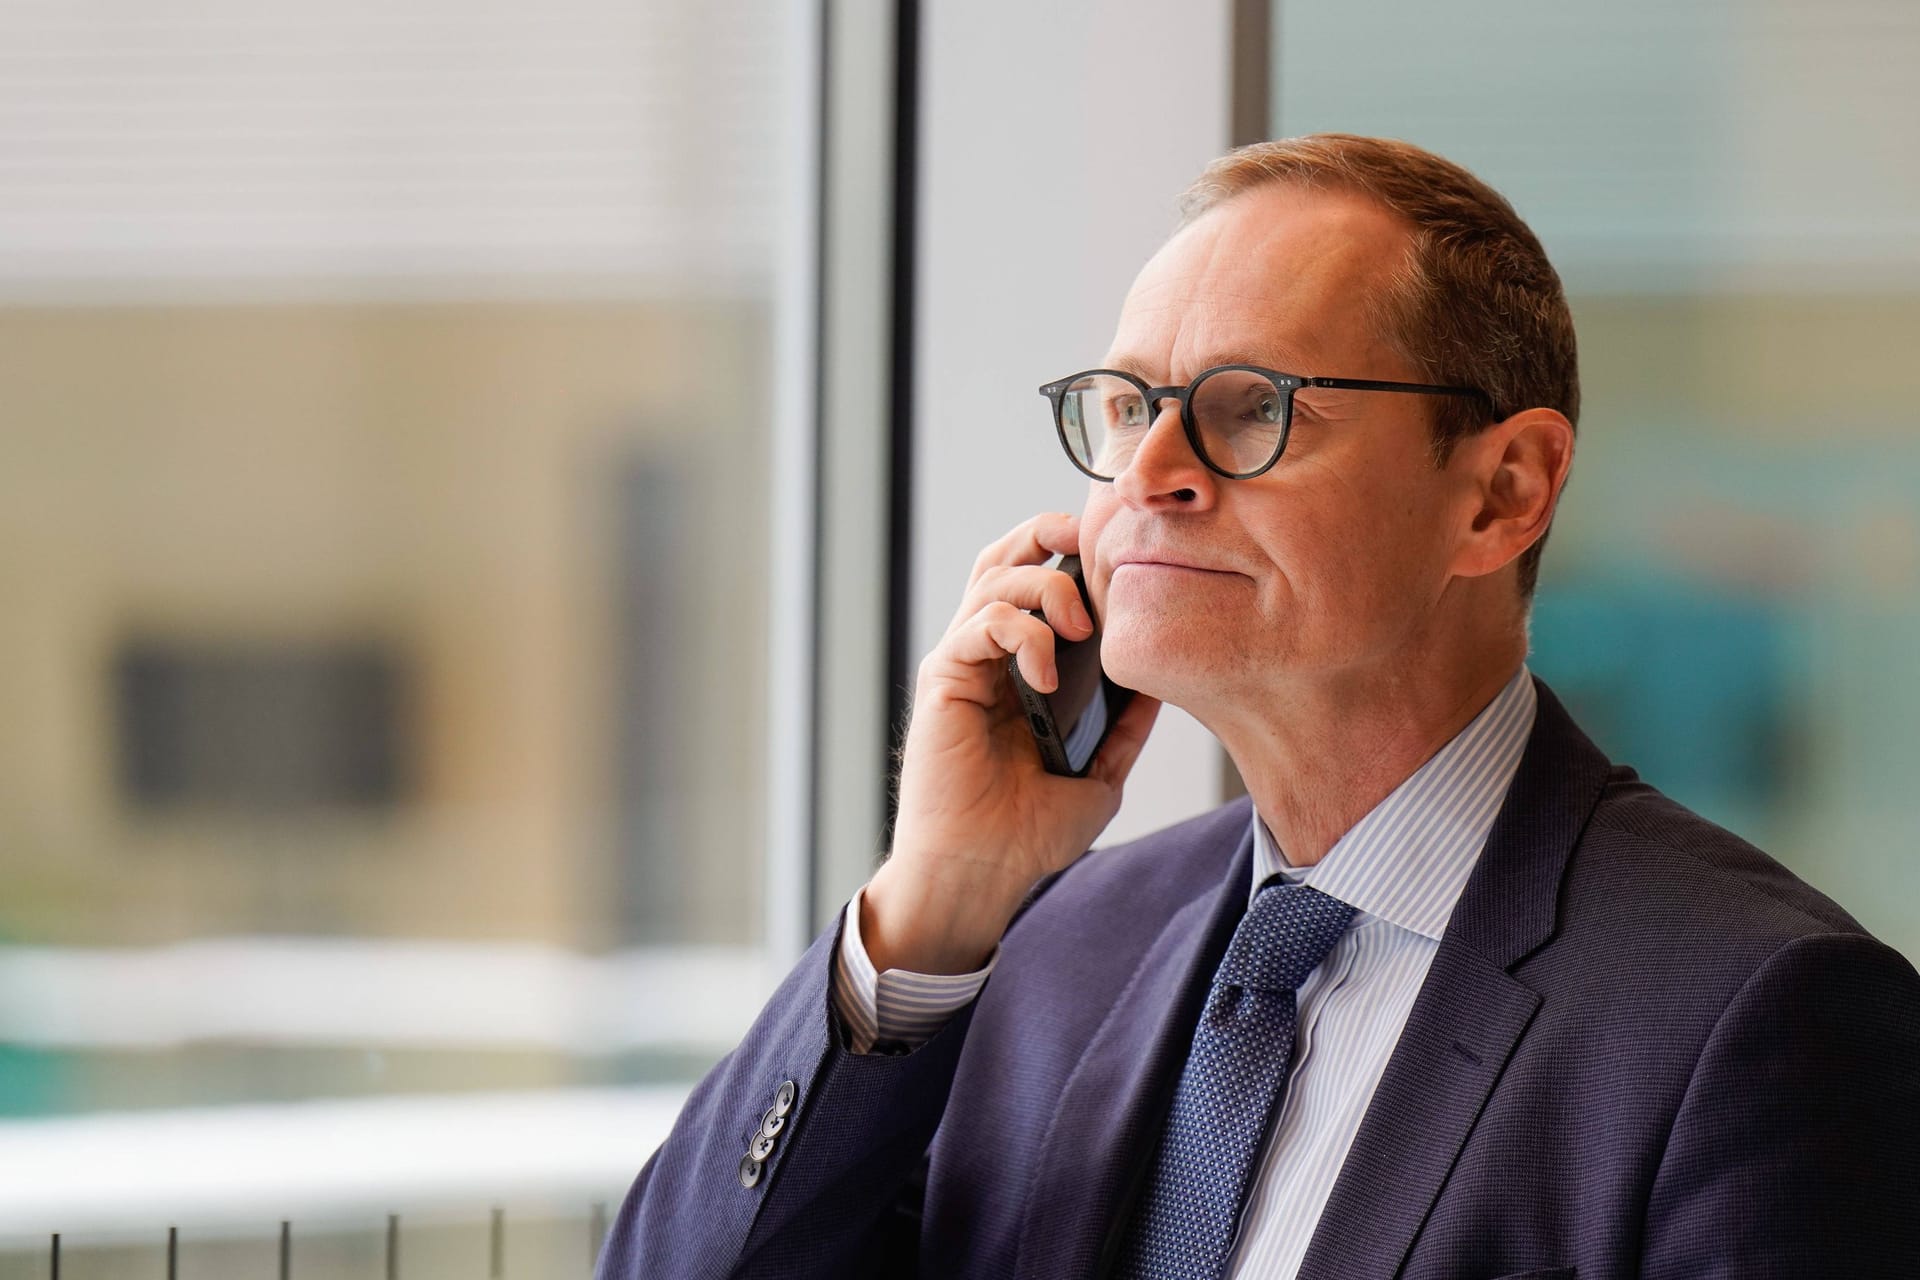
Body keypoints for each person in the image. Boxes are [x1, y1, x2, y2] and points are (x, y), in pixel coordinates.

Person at [596, 134, 1920, 1279]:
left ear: (1501, 491)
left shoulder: (1761, 1017)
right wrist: (935, 902)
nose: (1153, 471)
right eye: (1128, 407)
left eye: (1250, 410)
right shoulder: (1054, 950)